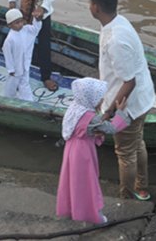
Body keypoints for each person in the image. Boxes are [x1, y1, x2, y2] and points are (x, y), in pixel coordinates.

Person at [87, 0, 156, 201]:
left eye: (90, 2)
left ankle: (126, 197)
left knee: (125, 153)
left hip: (128, 104)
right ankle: (142, 187)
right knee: (137, 144)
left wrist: (108, 113)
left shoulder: (116, 39)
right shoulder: (118, 22)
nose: (89, 6)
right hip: (141, 98)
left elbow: (128, 82)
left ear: (96, 7)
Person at [56, 78, 131, 224]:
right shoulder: (90, 117)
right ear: (90, 98)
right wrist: (120, 112)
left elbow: (83, 129)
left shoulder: (75, 108)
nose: (102, 101)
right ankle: (90, 215)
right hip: (82, 152)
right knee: (85, 183)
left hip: (71, 148)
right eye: (100, 99)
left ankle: (72, 209)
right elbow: (111, 128)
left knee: (72, 180)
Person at [2, 8, 42, 101]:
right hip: (16, 67)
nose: (20, 24)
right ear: (9, 25)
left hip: (25, 64)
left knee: (25, 82)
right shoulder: (10, 39)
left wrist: (37, 20)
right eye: (17, 23)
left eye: (21, 21)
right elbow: (7, 54)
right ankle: (8, 97)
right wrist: (10, 68)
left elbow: (36, 29)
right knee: (12, 83)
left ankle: (28, 100)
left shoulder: (27, 29)